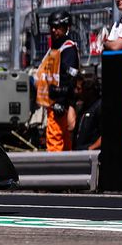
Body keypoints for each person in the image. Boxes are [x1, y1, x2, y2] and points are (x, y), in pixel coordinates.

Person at [35, 9, 79, 152]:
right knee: (63, 141)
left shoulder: (67, 49)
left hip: (59, 103)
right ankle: (67, 165)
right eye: (52, 27)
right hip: (52, 101)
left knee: (55, 141)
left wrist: (63, 102)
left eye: (57, 27)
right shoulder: (55, 48)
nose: (54, 30)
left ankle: (56, 165)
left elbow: (70, 78)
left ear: (66, 27)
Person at [74, 72, 102, 151]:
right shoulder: (84, 108)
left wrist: (90, 149)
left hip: (92, 155)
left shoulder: (99, 107)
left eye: (79, 89)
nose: (76, 91)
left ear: (88, 90)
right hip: (79, 153)